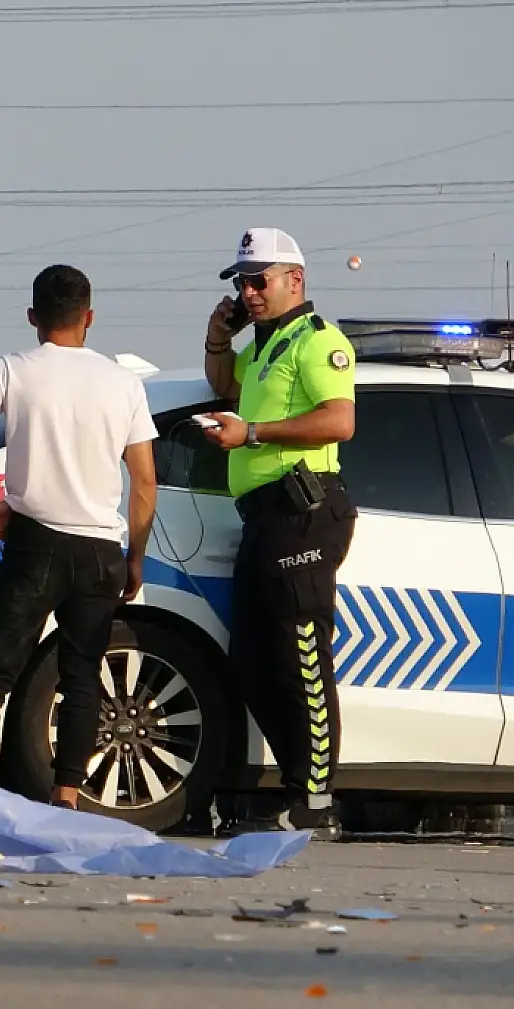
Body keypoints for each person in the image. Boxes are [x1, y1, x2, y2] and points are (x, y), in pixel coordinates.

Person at [0, 264, 158, 810]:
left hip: (34, 545)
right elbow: (144, 480)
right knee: (82, 679)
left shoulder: (13, 370)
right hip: (100, 549)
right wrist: (135, 556)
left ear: (33, 317)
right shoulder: (124, 383)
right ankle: (67, 799)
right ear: (90, 317)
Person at [201, 227, 357, 838]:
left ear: (295, 279)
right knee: (253, 661)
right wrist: (219, 336)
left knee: (302, 656)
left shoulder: (319, 341)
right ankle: (298, 791)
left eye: (259, 281)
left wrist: (255, 434)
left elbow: (339, 420)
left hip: (303, 512)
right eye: (243, 283)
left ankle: (314, 799)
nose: (249, 292)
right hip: (264, 519)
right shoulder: (266, 347)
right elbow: (225, 386)